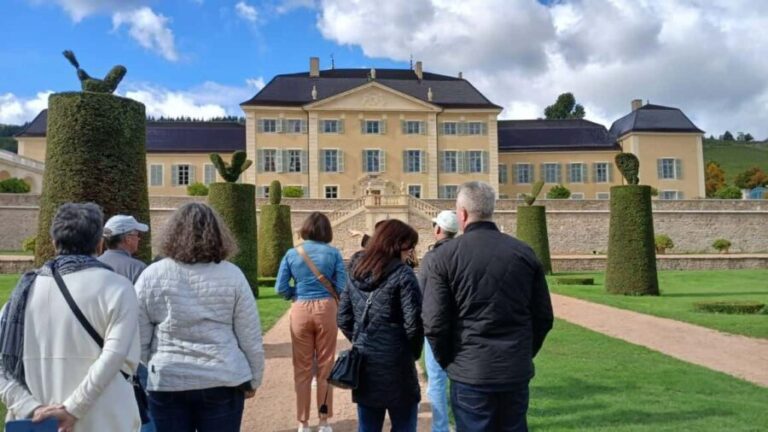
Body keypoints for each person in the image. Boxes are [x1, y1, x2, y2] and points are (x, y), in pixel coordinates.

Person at [422, 181, 554, 432]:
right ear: (491, 210)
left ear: (461, 214)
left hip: (470, 370)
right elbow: (543, 317)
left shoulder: (444, 257)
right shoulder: (524, 252)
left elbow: (434, 323)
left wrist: (450, 361)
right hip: (512, 369)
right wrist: (522, 353)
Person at [0, 202, 142, 431]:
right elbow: (114, 356)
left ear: (54, 242)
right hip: (105, 417)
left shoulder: (22, 293)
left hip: (39, 421)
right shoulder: (118, 288)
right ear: (99, 243)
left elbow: (2, 366)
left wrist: (30, 407)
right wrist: (72, 408)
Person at [134, 203, 264, 432]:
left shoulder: (151, 275)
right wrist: (254, 378)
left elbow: (139, 337)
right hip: (221, 378)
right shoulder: (232, 275)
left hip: (168, 379)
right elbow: (249, 336)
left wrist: (155, 362)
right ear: (217, 235)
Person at [338, 220, 423, 432]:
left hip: (365, 361)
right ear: (396, 244)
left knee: (368, 426)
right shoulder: (404, 275)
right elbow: (413, 325)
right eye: (409, 247)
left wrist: (362, 340)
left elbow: (343, 318)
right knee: (404, 425)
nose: (411, 252)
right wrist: (411, 352)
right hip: (398, 362)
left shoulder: (356, 270)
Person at [276, 212, 346, 432]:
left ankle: (303, 423)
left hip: (301, 309)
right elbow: (343, 286)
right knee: (326, 365)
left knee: (302, 368)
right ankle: (324, 422)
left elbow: (280, 287)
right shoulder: (333, 253)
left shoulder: (292, 253)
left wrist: (296, 294)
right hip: (326, 308)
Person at [98, 214, 155, 432]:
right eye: (136, 235)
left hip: (99, 348)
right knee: (142, 410)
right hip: (132, 351)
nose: (139, 239)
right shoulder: (139, 269)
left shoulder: (95, 265)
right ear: (126, 239)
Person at [417, 210, 459, 432]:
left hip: (436, 327)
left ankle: (441, 428)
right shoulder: (464, 253)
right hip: (462, 328)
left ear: (438, 229)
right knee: (461, 380)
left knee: (437, 381)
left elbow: (421, 293)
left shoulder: (432, 257)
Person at [98, 214, 149, 284]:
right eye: (137, 235)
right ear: (128, 239)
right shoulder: (138, 268)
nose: (139, 239)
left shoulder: (92, 265)